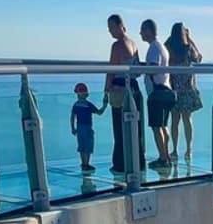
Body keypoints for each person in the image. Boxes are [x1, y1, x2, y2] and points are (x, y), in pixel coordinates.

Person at [104, 15, 146, 176]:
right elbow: (137, 70)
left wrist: (107, 88)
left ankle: (120, 164)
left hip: (119, 88)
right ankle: (138, 162)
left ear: (120, 26)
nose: (110, 32)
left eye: (111, 28)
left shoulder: (117, 46)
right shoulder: (134, 44)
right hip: (134, 88)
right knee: (135, 128)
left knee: (119, 128)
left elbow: (112, 69)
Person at [140, 19, 176, 168]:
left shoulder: (154, 48)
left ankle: (163, 158)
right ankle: (166, 155)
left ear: (148, 31)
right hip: (166, 90)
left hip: (157, 93)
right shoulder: (161, 47)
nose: (141, 33)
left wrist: (141, 69)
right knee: (163, 126)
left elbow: (154, 68)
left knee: (156, 127)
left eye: (142, 30)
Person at [166, 23, 203, 161]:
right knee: (187, 120)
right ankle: (188, 149)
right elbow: (198, 58)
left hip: (174, 89)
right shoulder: (188, 48)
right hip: (188, 89)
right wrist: (190, 38)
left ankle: (174, 150)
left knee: (175, 121)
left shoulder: (169, 47)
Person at [70, 83, 108, 172]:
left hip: (79, 127)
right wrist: (105, 105)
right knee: (88, 145)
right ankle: (86, 164)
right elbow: (99, 112)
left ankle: (84, 164)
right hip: (87, 127)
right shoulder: (88, 105)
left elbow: (72, 117)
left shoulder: (76, 105)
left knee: (82, 146)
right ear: (86, 94)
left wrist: (73, 127)